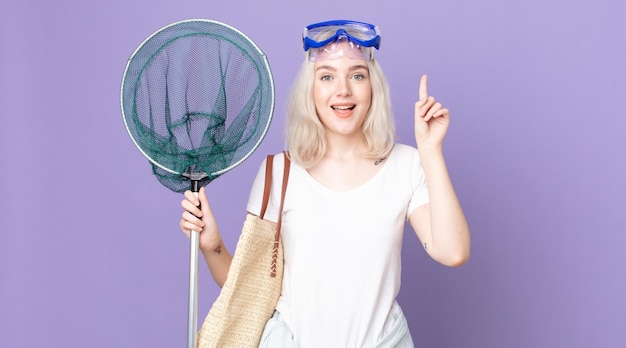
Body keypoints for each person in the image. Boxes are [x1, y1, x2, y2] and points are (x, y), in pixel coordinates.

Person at [179, 20, 470, 348]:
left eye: (357, 75)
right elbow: (249, 293)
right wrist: (212, 245)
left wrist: (430, 152)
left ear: (372, 86)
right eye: (327, 76)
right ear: (311, 90)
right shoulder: (279, 172)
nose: (343, 90)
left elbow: (452, 251)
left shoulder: (406, 165)